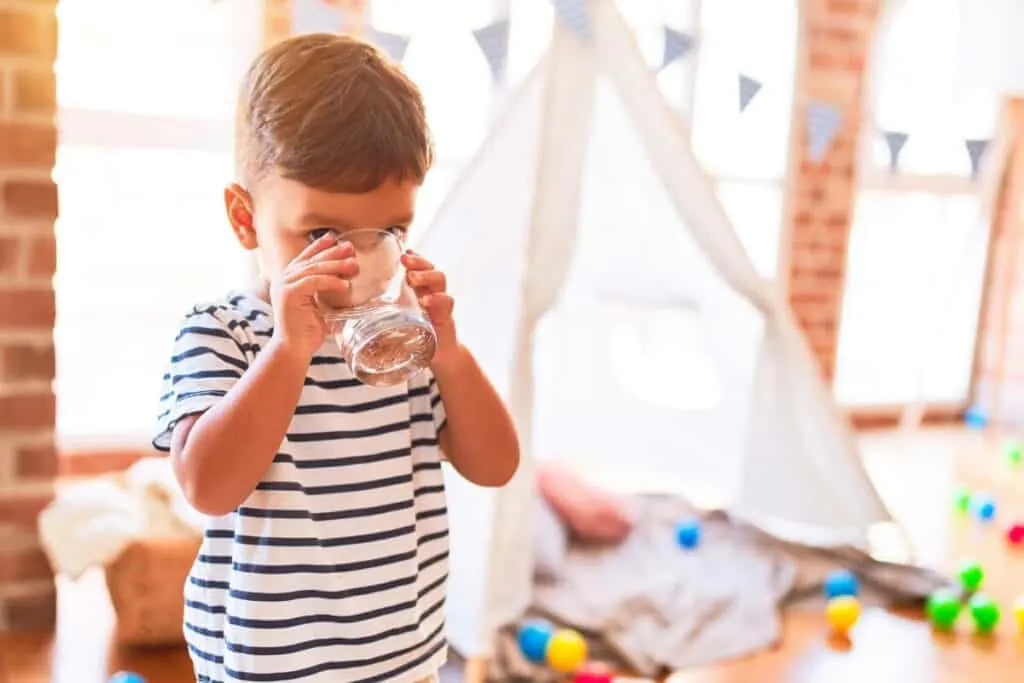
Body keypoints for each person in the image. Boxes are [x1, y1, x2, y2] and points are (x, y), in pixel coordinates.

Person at [151, 32, 521, 683]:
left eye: (392, 232)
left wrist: (452, 356)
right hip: (270, 668)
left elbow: (495, 465)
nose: (355, 265)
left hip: (404, 662)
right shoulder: (223, 333)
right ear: (245, 219)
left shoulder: (403, 347)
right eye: (320, 235)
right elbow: (208, 486)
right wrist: (288, 350)